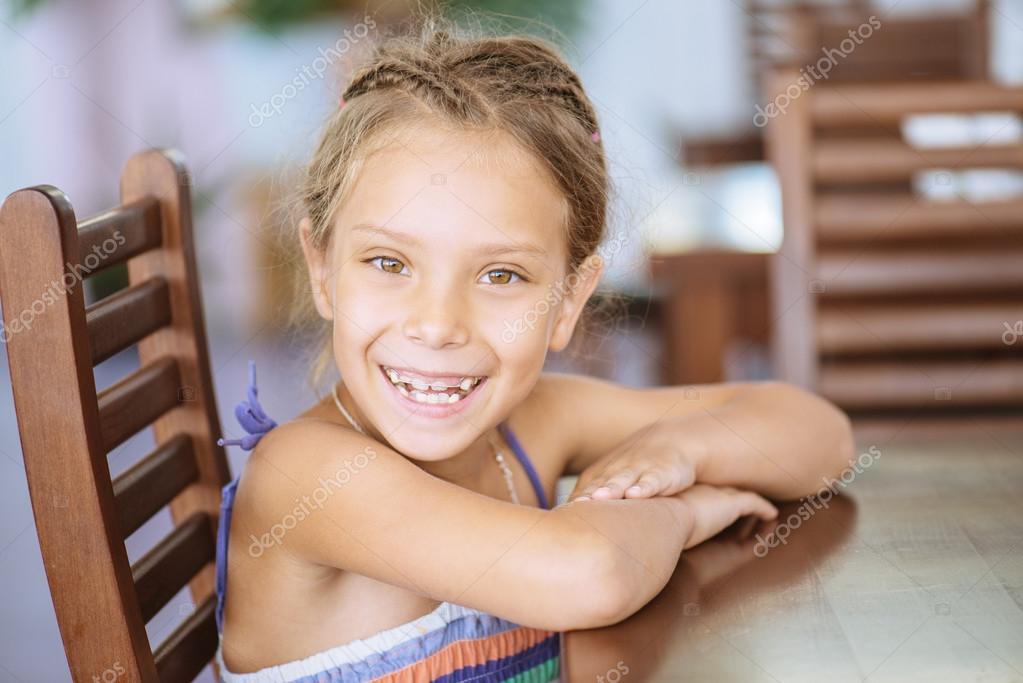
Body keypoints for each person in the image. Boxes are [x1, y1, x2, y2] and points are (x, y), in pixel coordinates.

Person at [212, 18, 855, 683]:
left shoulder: (536, 421)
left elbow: (819, 434)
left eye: (500, 275)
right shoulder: (307, 475)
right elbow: (590, 571)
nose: (437, 325)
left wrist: (682, 452)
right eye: (387, 261)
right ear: (322, 270)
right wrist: (688, 507)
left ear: (569, 301)